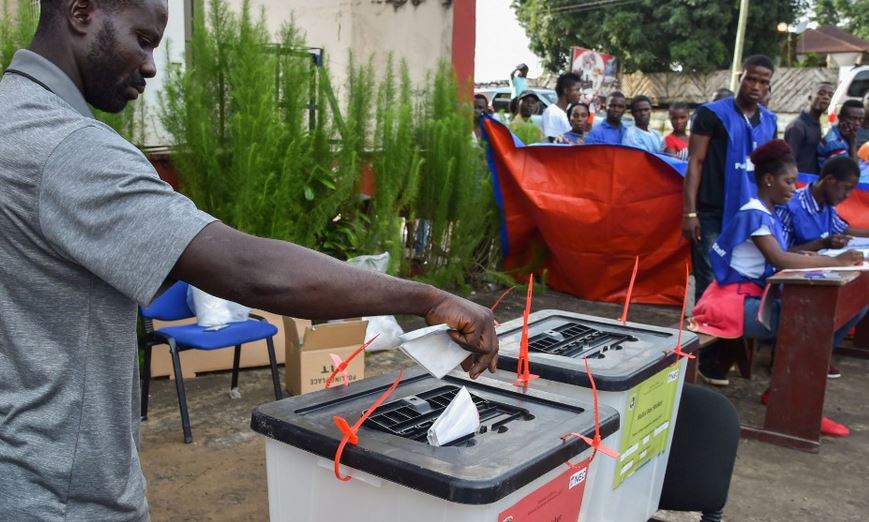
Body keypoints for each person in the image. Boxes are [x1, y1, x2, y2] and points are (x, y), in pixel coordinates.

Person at [0, 1, 499, 520]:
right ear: (81, 12)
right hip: (59, 496)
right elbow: (254, 274)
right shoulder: (69, 148)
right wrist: (429, 297)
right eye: (144, 39)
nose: (150, 65)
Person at [690, 141, 865, 421]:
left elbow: (782, 255)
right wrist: (835, 262)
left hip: (747, 297)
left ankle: (789, 394)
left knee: (810, 318)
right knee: (808, 323)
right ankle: (793, 402)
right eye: (789, 181)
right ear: (769, 180)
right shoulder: (755, 213)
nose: (794, 188)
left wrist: (811, 254)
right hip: (730, 302)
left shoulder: (765, 212)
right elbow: (780, 259)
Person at [682, 55, 778, 308]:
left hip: (748, 217)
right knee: (710, 281)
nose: (756, 86)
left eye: (763, 82)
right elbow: (695, 162)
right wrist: (690, 212)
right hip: (712, 213)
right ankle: (704, 344)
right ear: (741, 78)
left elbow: (771, 171)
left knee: (744, 282)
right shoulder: (710, 114)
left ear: (769, 86)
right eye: (751, 79)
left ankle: (731, 342)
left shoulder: (770, 121)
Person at [777, 155, 869, 252]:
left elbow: (843, 229)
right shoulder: (789, 206)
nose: (848, 195)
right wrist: (821, 244)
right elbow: (779, 255)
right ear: (830, 180)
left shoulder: (827, 205)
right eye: (846, 188)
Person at [784, 81, 834, 174]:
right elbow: (789, 162)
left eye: (830, 95)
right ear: (810, 98)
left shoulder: (816, 124)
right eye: (821, 93)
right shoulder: (797, 126)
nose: (826, 97)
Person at [818, 99, 866, 168]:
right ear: (840, 117)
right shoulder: (834, 142)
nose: (857, 123)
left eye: (861, 119)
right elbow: (853, 172)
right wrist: (853, 143)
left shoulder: (846, 134)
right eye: (852, 118)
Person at [542, 72, 581, 142]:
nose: (580, 93)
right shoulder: (553, 112)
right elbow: (553, 142)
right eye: (577, 90)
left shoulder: (566, 112)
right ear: (566, 90)